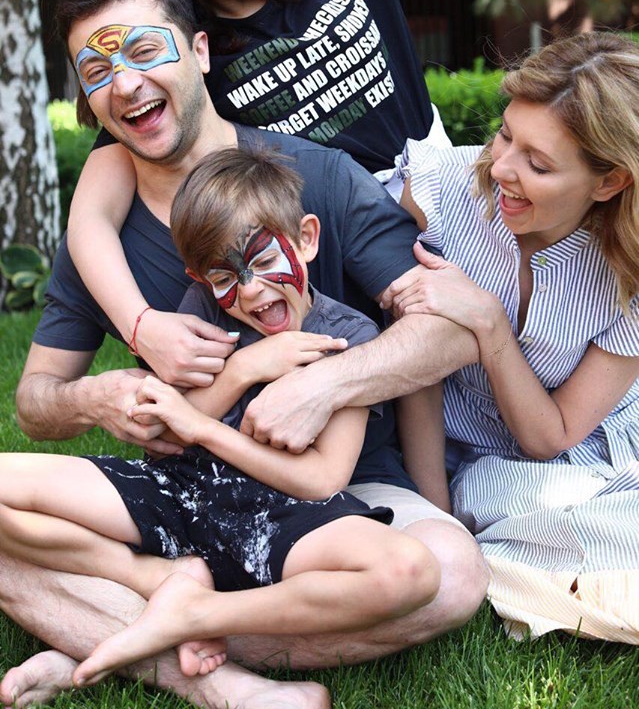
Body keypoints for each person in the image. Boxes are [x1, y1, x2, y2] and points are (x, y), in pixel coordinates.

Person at [0, 0, 486, 709]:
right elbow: (36, 402)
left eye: (145, 51)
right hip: (191, 487)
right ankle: (216, 676)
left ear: (198, 50)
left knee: (448, 576)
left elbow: (451, 329)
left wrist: (325, 383)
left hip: (345, 490)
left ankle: (98, 630)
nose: (125, 85)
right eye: (96, 71)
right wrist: (93, 399)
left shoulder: (314, 178)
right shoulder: (100, 235)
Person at [0, 145, 440, 692]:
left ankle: (195, 614)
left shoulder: (347, 336)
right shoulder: (207, 305)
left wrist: (205, 430)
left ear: (306, 238)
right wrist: (243, 369)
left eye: (263, 260)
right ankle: (157, 578)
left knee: (410, 571)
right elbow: (166, 428)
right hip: (181, 491)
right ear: (201, 277)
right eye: (225, 275)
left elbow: (322, 480)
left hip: (286, 518)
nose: (250, 289)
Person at [64, 0, 456, 384]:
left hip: (451, 194)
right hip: (349, 240)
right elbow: (90, 219)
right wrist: (140, 326)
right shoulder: (184, 56)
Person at [382, 31, 639, 643]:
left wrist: (490, 323)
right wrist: (436, 516)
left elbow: (551, 436)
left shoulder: (629, 271)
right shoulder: (439, 192)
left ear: (609, 183)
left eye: (538, 164)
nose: (501, 168)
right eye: (504, 135)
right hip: (472, 460)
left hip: (581, 448)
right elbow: (410, 357)